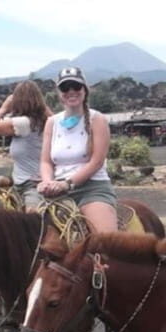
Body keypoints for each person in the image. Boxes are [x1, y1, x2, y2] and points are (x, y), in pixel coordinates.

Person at [37, 67, 118, 233]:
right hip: (57, 191)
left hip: (92, 189)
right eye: (65, 88)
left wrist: (67, 184)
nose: (71, 91)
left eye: (76, 86)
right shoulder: (52, 122)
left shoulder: (98, 120)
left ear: (85, 91)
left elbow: (97, 162)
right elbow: (46, 161)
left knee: (106, 243)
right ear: (59, 93)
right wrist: (47, 182)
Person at [0, 80, 53, 210]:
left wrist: (4, 108)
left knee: (30, 220)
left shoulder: (24, 123)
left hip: (31, 185)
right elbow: (54, 118)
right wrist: (42, 106)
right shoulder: (40, 121)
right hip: (20, 182)